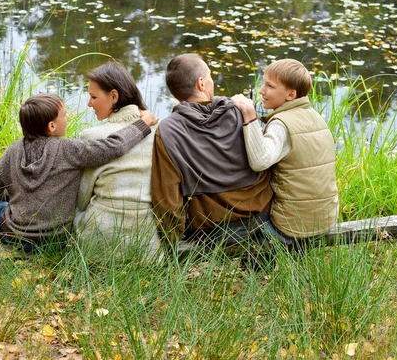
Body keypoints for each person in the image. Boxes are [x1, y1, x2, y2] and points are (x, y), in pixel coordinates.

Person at [0, 93, 158, 252]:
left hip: (14, 237)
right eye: (64, 115)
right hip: (56, 242)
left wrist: (17, 194)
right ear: (51, 126)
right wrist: (143, 123)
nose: (67, 118)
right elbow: (113, 147)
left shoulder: (13, 150)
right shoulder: (70, 150)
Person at [151, 53, 273, 249]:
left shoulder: (168, 130)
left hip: (212, 228)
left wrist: (171, 242)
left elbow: (166, 196)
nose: (211, 81)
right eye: (209, 76)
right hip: (261, 215)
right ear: (201, 84)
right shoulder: (240, 111)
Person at [232, 58, 339, 243]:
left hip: (292, 226)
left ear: (290, 95)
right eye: (263, 83)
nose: (261, 90)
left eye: (270, 86)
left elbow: (259, 162)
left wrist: (249, 115)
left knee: (239, 223)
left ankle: (258, 265)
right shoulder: (316, 117)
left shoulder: (282, 125)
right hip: (325, 219)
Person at [73, 62, 163, 261]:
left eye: (94, 97)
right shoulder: (160, 132)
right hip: (148, 247)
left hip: (99, 244)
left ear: (114, 96)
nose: (89, 103)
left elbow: (81, 199)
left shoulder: (91, 136)